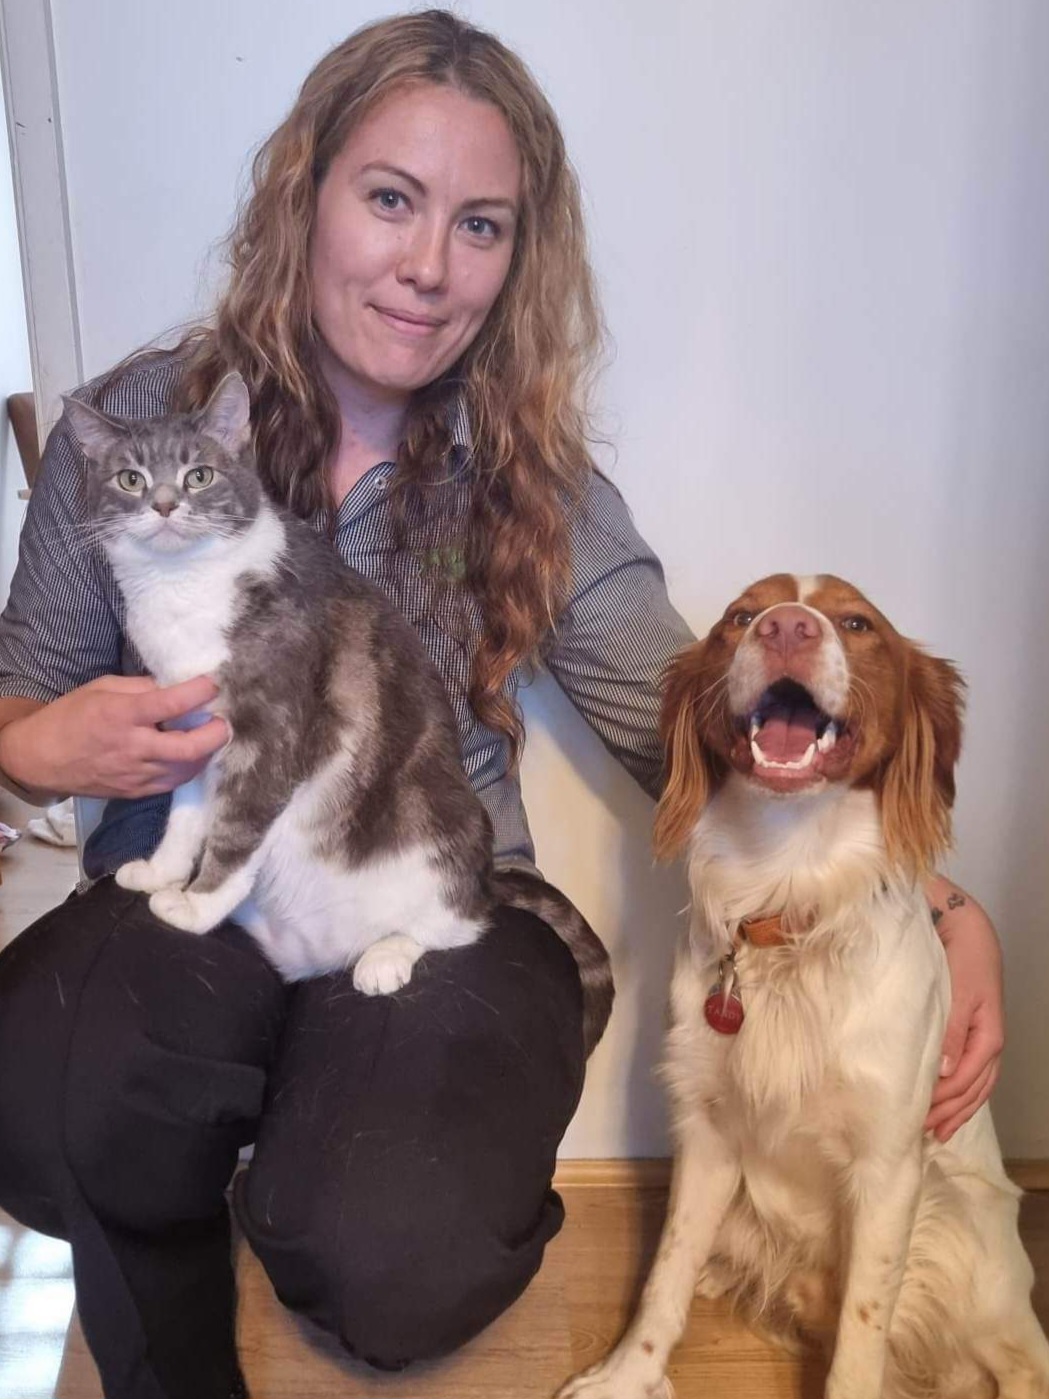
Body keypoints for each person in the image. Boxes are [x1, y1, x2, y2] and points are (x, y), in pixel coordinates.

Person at [0, 11, 1004, 1399]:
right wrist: (33, 743)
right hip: (191, 891)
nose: (428, 265)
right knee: (41, 1097)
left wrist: (943, 909)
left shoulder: (535, 481)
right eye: (390, 199)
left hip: (431, 900)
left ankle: (315, 1156)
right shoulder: (140, 428)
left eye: (479, 225)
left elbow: (700, 725)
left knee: (397, 1260)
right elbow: (22, 694)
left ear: (518, 257)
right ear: (305, 193)